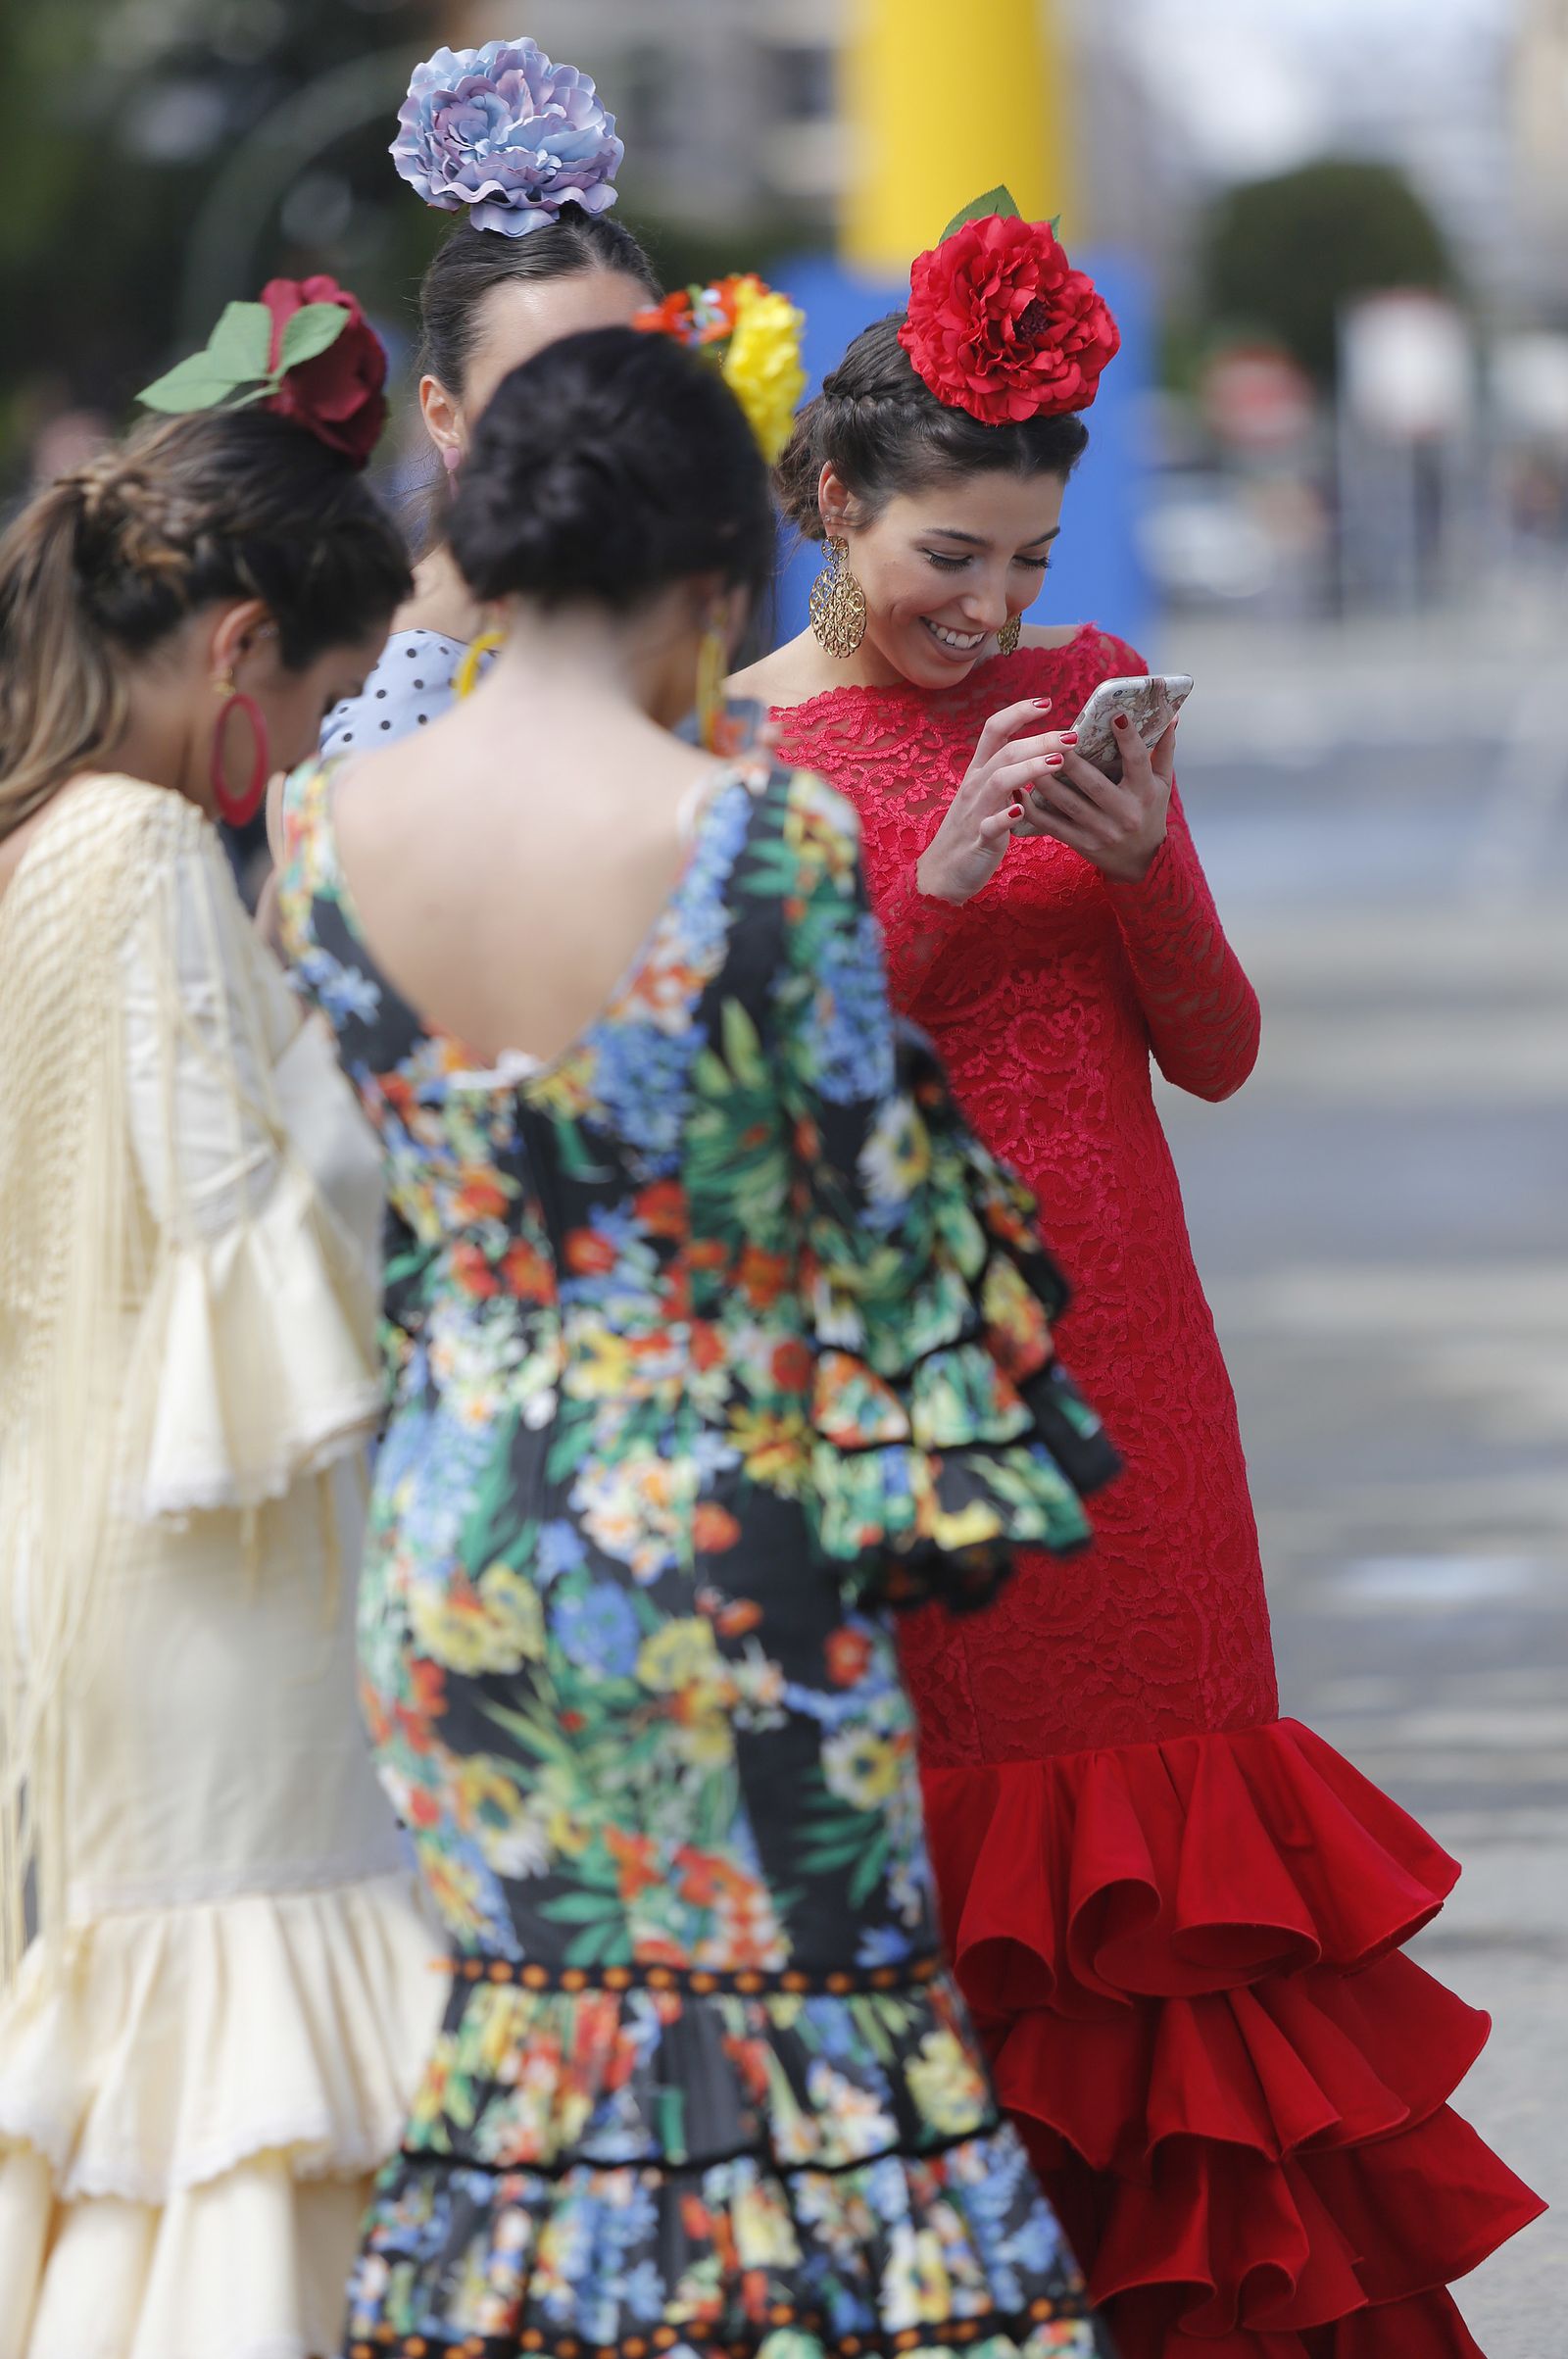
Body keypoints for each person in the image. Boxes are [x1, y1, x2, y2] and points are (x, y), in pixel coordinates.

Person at [737, 206, 1544, 2358]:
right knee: (964, 1888)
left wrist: (1127, 869)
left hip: (1137, 1370)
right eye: (947, 560)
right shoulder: (736, 752)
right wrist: (927, 880)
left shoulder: (1083, 689)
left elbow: (1212, 1045)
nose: (991, 608)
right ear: (828, 499)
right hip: (903, 1388)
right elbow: (759, 1111)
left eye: (1026, 558)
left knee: (1182, 1886)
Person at [274, 321, 1121, 2359]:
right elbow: (863, 1217)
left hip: (461, 1533)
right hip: (721, 1538)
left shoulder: (325, 833)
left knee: (536, 2068)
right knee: (812, 2071)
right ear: (709, 579)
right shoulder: (757, 843)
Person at [0, 283, 441, 2359]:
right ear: (246, 651)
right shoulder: (156, 855)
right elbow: (247, 1239)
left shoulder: (35, 848)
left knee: (158, 2126)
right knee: (250, 2102)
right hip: (213, 1584)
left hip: (87, 1548)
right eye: (328, 695)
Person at [318, 34, 661, 761]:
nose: (594, 426)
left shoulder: (637, 623)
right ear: (444, 415)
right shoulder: (402, 690)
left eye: (626, 378)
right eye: (537, 390)